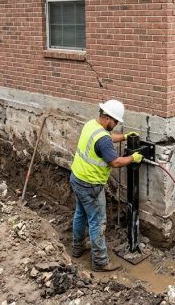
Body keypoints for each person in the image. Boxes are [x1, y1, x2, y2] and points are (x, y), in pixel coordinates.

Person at [70, 99, 143, 272]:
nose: (116, 124)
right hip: (90, 185)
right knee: (97, 222)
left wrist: (125, 137)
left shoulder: (91, 125)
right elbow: (115, 162)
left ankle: (77, 248)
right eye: (116, 121)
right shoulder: (102, 139)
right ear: (108, 118)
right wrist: (133, 158)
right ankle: (100, 262)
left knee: (80, 214)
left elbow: (108, 138)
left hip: (77, 178)